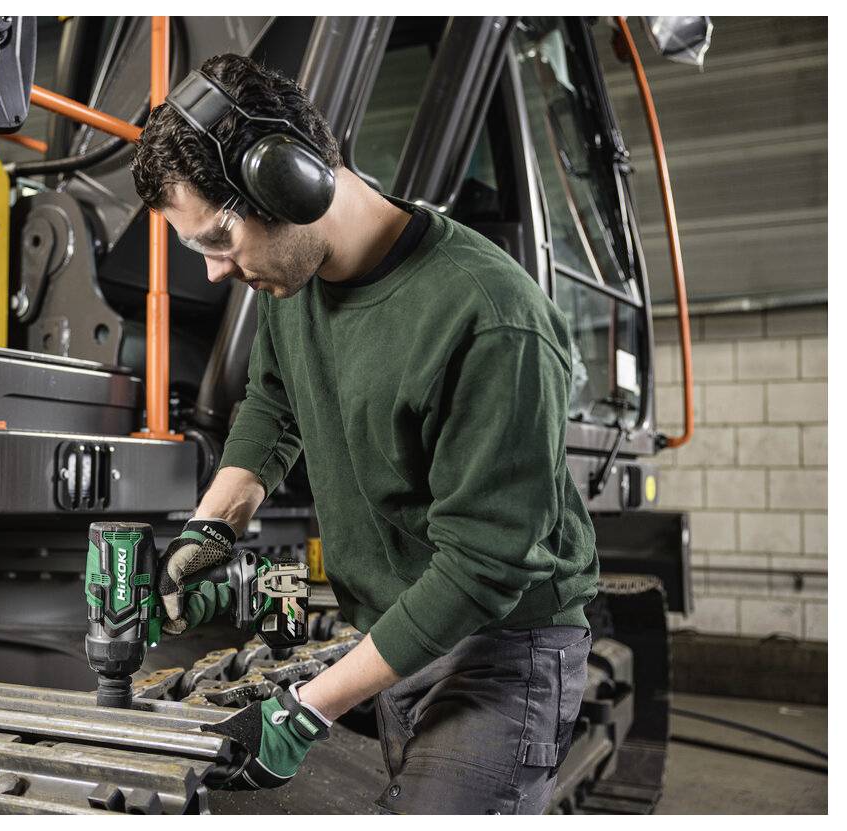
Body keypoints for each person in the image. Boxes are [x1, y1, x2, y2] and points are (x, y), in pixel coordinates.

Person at [129, 52, 598, 814]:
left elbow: (482, 568)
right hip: (397, 629)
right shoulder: (293, 284)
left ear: (289, 184)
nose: (215, 272)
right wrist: (211, 526)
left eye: (217, 241)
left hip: (503, 646)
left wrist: (302, 709)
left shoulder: (489, 318)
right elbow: (272, 404)